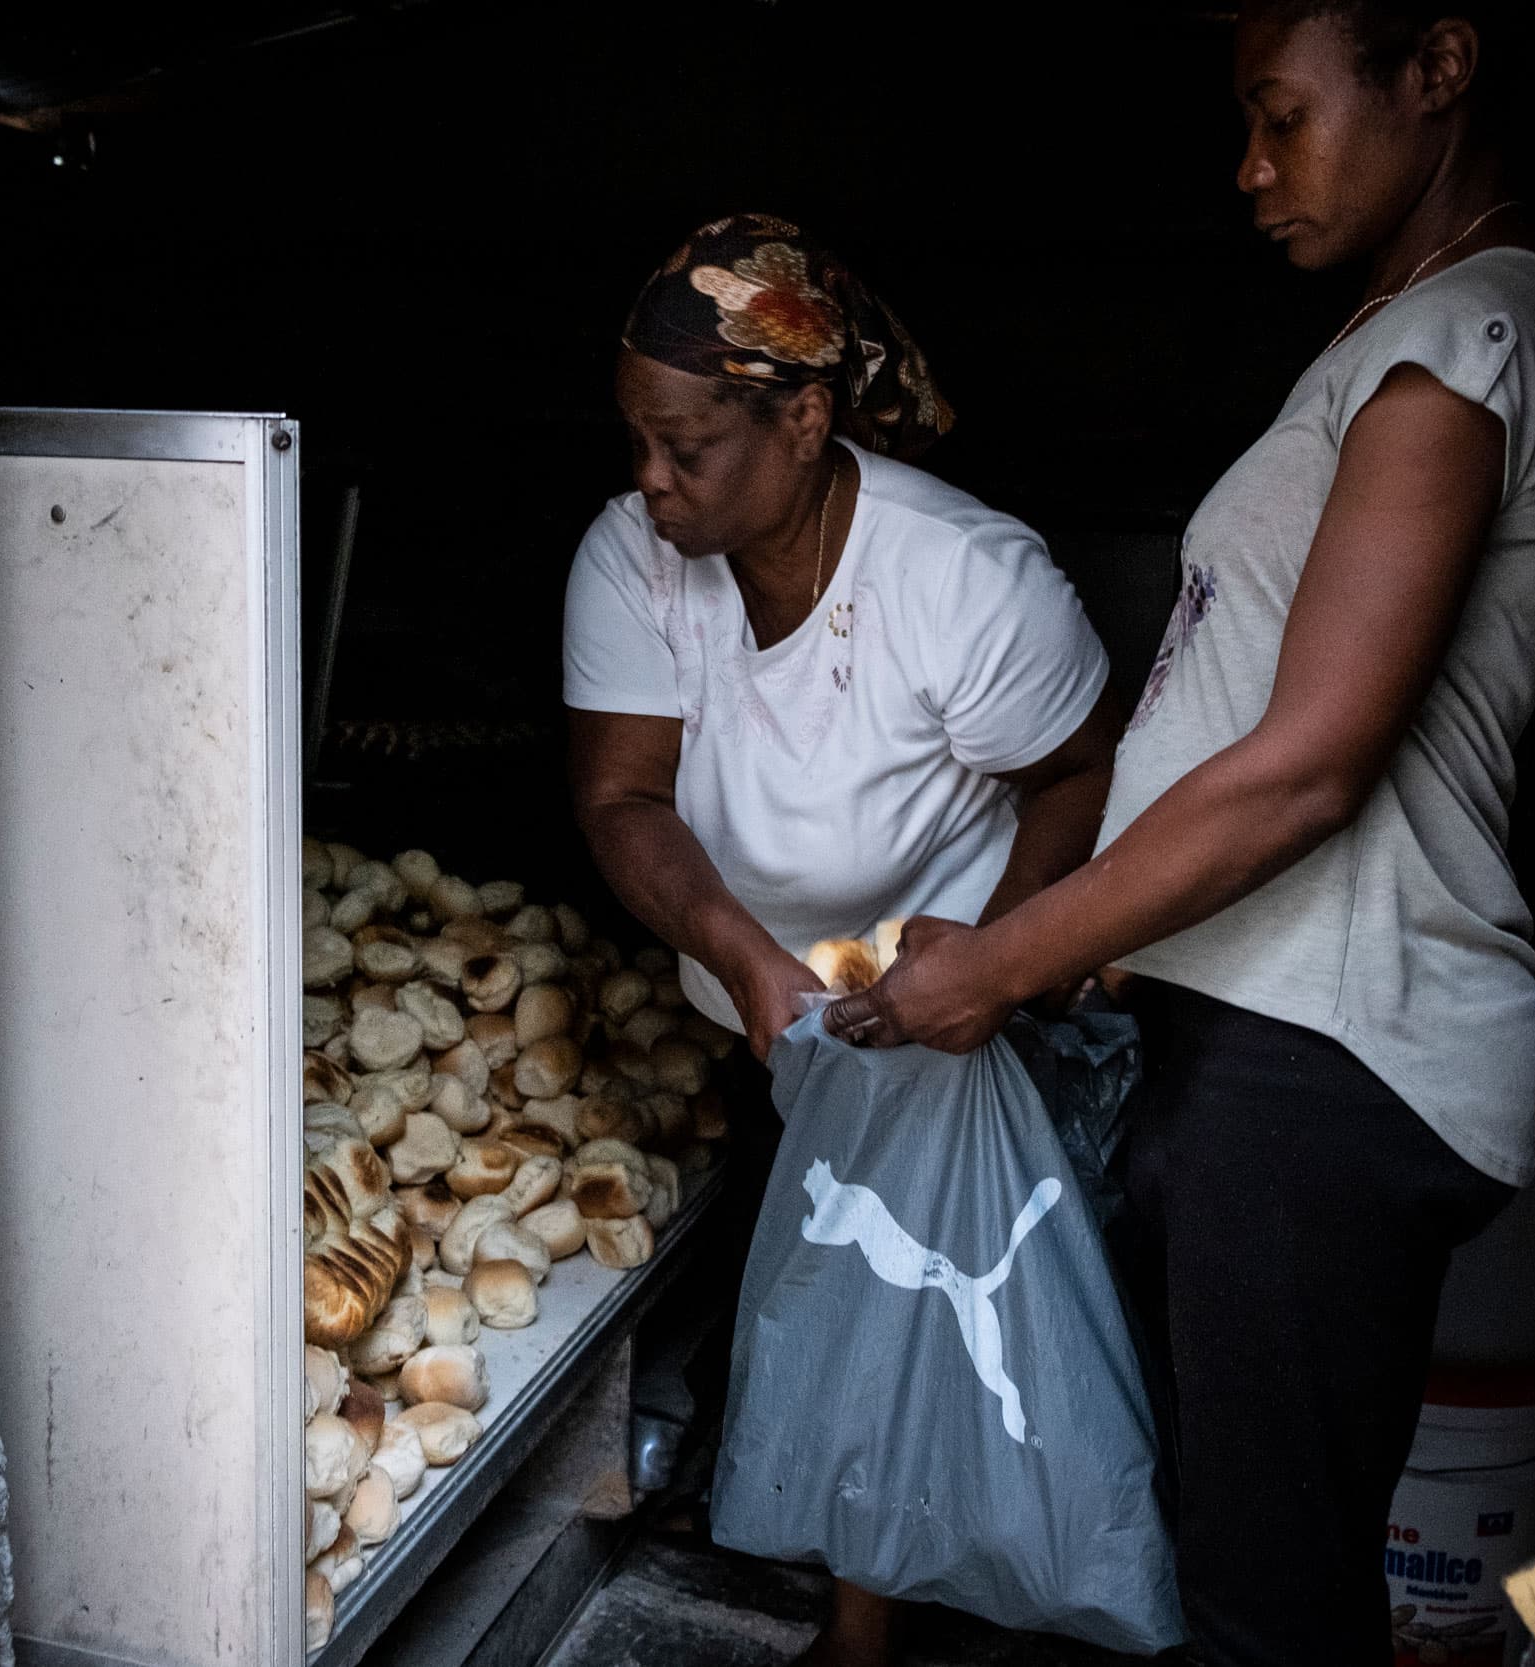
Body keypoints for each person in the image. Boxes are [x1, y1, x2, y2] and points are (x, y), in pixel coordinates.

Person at [825, 4, 1535, 1662]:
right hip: (1260, 1032)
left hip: (1330, 1052)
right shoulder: (1397, 335)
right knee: (1177, 1563)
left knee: (1264, 1607)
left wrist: (1023, 958)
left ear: (1439, 68)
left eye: (1283, 118)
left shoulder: (1473, 333)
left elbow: (1311, 764)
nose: (1250, 172)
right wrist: (1058, 945)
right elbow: (1224, 709)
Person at [565, 213, 1127, 1665]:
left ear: (803, 418)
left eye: (687, 445)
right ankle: (844, 1583)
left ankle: (887, 1618)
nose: (650, 477)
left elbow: (1081, 775)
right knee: (815, 1299)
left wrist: (992, 959)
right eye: (638, 438)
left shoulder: (960, 580)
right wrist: (743, 954)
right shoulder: (637, 558)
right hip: (770, 1005)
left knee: (925, 1314)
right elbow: (623, 795)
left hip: (935, 1004)